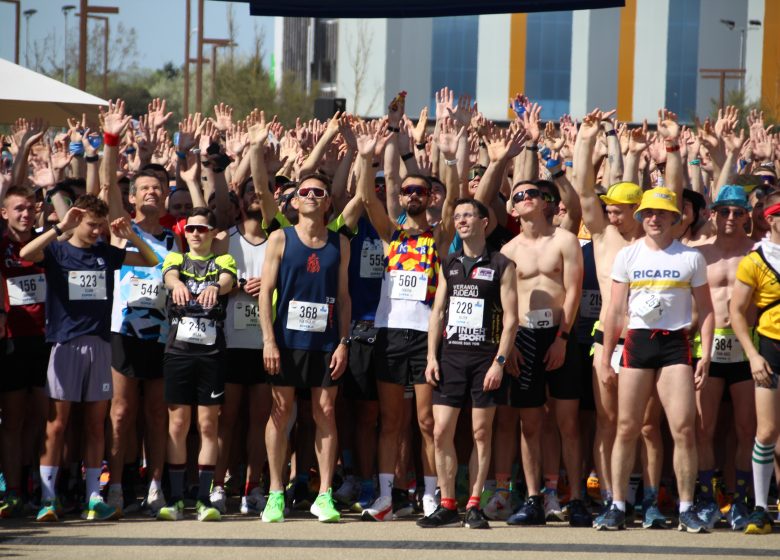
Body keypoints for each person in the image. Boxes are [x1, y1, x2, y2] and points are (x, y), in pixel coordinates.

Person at [20, 194, 159, 522]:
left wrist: (131, 236)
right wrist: (60, 228)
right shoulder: (58, 250)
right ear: (77, 221)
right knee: (57, 425)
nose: (97, 230)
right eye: (91, 224)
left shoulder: (105, 253)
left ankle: (94, 497)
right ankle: (49, 498)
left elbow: (152, 261)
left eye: (100, 224)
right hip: (65, 344)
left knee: (97, 424)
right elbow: (27, 254)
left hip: (99, 345)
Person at [355, 112, 461, 521]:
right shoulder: (391, 235)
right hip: (388, 334)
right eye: (408, 190)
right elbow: (367, 200)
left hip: (425, 337)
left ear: (429, 197)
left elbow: (453, 200)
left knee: (427, 422)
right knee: (390, 422)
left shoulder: (439, 236)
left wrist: (449, 163)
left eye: (421, 190)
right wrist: (366, 159)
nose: (413, 195)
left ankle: (431, 495)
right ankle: (386, 496)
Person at [598, 187, 714, 533]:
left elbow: (707, 310)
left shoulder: (690, 258)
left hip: (675, 345)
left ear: (675, 219)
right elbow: (615, 310)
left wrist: (705, 354)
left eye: (661, 213)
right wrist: (605, 358)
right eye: (648, 213)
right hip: (637, 343)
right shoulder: (628, 255)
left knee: (683, 428)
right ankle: (617, 504)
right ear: (641, 217)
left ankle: (687, 507)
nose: (654, 218)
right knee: (626, 427)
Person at [417, 198, 518, 529]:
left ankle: (474, 503)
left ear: (484, 222)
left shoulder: (502, 264)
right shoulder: (450, 262)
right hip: (451, 358)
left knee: (480, 431)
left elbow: (512, 320)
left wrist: (499, 363)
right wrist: (432, 356)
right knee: (441, 429)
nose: (461, 220)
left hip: (485, 360)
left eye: (467, 215)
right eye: (457, 215)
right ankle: (447, 503)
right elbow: (437, 313)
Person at [259, 173, 351, 523]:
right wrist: (268, 339)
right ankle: (275, 493)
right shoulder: (281, 238)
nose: (312, 196)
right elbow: (265, 293)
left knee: (325, 412)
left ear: (329, 202)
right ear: (294, 202)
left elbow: (343, 299)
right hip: (286, 341)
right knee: (281, 413)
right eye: (305, 192)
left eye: (319, 192)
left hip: (326, 341)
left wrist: (343, 343)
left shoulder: (340, 243)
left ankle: (324, 494)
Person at [499, 179, 588, 527]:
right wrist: (508, 350)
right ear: (512, 207)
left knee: (568, 422)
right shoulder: (508, 250)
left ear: (544, 200)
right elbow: (504, 305)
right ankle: (534, 497)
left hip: (560, 331)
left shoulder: (564, 240)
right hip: (523, 338)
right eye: (518, 196)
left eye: (531, 193)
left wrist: (562, 338)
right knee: (530, 424)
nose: (525, 199)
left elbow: (573, 290)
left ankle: (577, 498)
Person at [156, 207, 237, 522]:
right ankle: (176, 497)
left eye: (202, 229)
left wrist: (217, 286)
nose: (196, 234)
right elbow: (170, 274)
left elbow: (229, 279)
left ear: (213, 233)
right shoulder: (176, 258)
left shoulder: (222, 261)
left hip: (212, 353)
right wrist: (175, 283)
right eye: (191, 229)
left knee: (208, 425)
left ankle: (204, 497)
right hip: (178, 351)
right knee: (177, 424)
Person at [107, 169, 178, 516]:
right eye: (144, 188)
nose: (152, 192)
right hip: (124, 332)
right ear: (132, 197)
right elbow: (106, 191)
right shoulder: (120, 230)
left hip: (162, 336)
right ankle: (116, 487)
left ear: (165, 196)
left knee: (156, 414)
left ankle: (154, 488)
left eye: (158, 188)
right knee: (121, 414)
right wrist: (109, 145)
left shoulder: (174, 237)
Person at [692, 185, 756, 531]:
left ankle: (741, 499)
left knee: (747, 428)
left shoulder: (758, 253)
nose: (730, 218)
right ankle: (706, 498)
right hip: (708, 346)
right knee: (704, 428)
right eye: (724, 211)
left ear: (748, 215)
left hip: (748, 346)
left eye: (738, 212)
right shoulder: (697, 253)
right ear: (712, 214)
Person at [209, 179, 271, 517]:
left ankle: (253, 487)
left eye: (264, 190)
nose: (257, 196)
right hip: (230, 343)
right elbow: (206, 282)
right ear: (241, 200)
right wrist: (231, 288)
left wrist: (267, 287)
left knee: (259, 421)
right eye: (251, 191)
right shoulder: (225, 240)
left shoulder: (279, 240)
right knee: (227, 420)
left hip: (265, 344)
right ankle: (218, 484)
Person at [730, 189, 780, 535]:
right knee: (766, 431)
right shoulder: (755, 258)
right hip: (771, 349)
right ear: (770, 218)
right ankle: (761, 507)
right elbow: (736, 311)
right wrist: (752, 354)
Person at [0, 186, 49, 517]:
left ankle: (36, 486)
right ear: (5, 213)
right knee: (13, 419)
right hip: (12, 340)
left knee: (42, 418)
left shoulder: (47, 244)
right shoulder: (1, 245)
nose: (25, 214)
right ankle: (13, 490)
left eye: (30, 208)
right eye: (18, 208)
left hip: (47, 340)